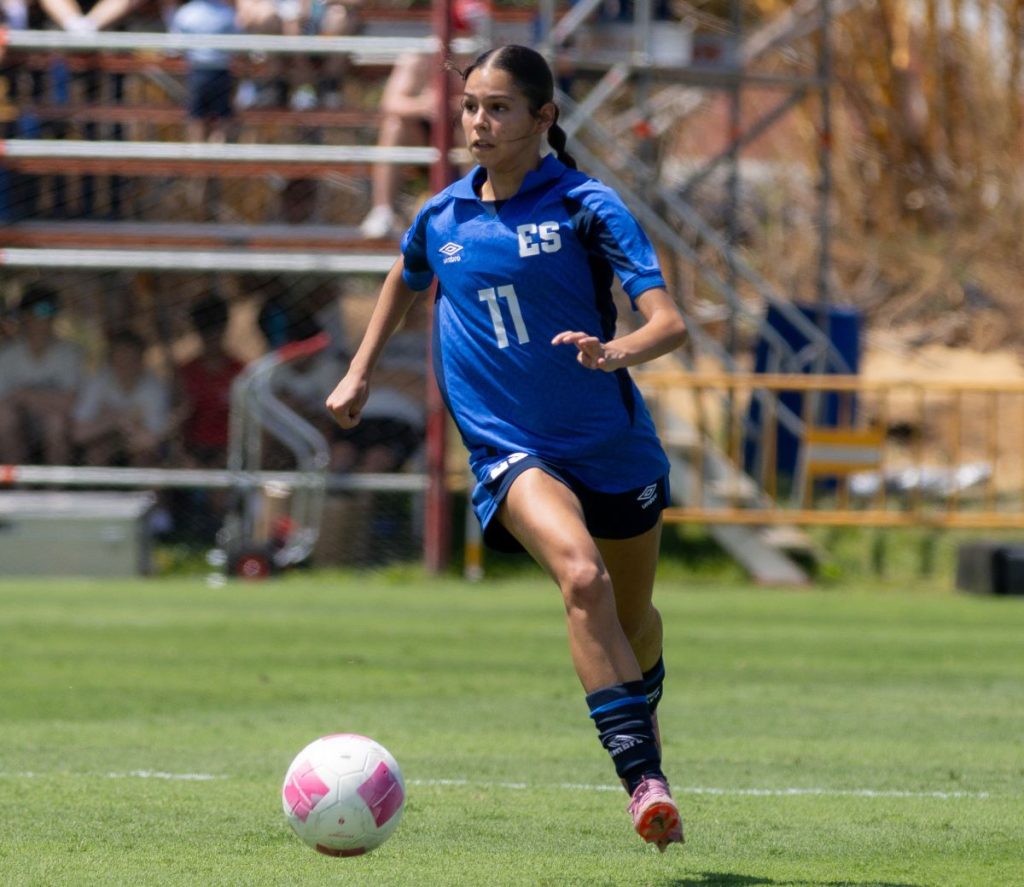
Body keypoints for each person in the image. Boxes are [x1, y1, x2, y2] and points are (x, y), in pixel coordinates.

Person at [327, 45, 687, 850]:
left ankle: (640, 712)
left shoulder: (588, 206)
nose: (478, 123)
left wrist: (616, 351)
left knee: (632, 621)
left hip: (612, 446)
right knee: (582, 577)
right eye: (470, 108)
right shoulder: (444, 215)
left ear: (543, 118)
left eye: (497, 108)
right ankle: (644, 780)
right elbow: (404, 275)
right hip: (509, 446)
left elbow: (669, 321)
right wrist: (357, 372)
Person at [0, 284, 84, 465]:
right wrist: (41, 399)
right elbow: (3, 403)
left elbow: (70, 403)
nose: (39, 322)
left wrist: (24, 395)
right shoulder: (7, 356)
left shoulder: (69, 354)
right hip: (18, 426)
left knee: (55, 422)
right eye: (32, 315)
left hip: (55, 425)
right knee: (4, 418)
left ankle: (55, 489)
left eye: (46, 315)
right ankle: (19, 487)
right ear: (24, 318)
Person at [72, 330, 173, 467]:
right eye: (120, 356)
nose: (125, 363)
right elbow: (79, 434)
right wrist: (116, 418)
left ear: (141, 359)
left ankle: (142, 488)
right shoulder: (97, 381)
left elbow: (153, 441)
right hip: (104, 442)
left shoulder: (154, 387)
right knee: (96, 451)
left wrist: (126, 425)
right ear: (110, 359)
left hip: (137, 445)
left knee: (144, 453)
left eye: (131, 357)